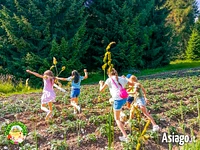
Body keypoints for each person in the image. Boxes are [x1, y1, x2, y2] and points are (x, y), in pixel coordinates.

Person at [99, 68, 133, 142]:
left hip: (118, 100)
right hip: (124, 98)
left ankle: (125, 136)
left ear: (109, 74)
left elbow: (101, 90)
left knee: (116, 119)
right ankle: (122, 114)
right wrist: (126, 78)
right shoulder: (121, 78)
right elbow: (132, 84)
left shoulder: (109, 79)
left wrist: (101, 84)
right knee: (112, 101)